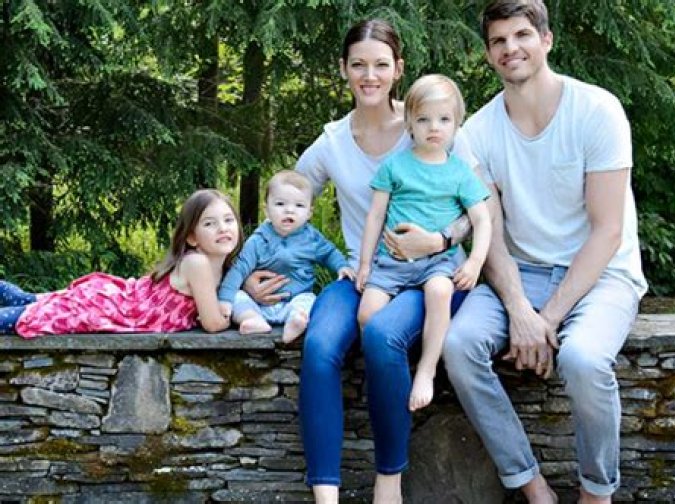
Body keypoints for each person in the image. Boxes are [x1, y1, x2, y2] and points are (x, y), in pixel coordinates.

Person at [241, 19, 477, 504]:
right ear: (344, 69)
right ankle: (325, 496)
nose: (370, 76)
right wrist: (248, 277)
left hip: (434, 278)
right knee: (320, 344)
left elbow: (479, 210)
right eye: (359, 65)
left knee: (383, 334)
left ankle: (389, 481)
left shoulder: (432, 121)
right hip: (364, 274)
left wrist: (439, 239)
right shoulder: (332, 142)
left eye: (381, 65)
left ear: (398, 69)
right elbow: (286, 204)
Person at [442, 1, 648, 503]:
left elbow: (607, 231)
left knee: (583, 360)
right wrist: (518, 309)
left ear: (546, 40)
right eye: (498, 40)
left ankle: (596, 492)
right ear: (488, 53)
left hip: (603, 273)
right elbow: (491, 233)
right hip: (522, 271)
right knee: (459, 346)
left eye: (522, 35)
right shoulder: (476, 134)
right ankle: (531, 485)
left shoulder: (597, 110)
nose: (510, 48)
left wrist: (547, 319)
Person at [355, 74, 491, 412]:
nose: (434, 127)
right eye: (423, 119)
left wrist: (474, 262)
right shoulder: (395, 166)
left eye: (444, 119)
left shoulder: (460, 172)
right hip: (392, 261)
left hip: (438, 263)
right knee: (367, 314)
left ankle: (427, 370)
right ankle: (392, 370)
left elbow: (482, 220)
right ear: (409, 124)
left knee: (440, 292)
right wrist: (365, 263)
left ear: (457, 124)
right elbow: (375, 216)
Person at [0, 189, 241, 337]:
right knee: (30, 317)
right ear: (191, 237)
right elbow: (212, 323)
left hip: (116, 300)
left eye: (228, 220)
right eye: (209, 223)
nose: (222, 228)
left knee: (31, 302)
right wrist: (230, 319)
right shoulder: (197, 263)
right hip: (112, 309)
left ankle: (22, 297)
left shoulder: (224, 266)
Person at [217, 170, 354, 343]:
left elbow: (329, 253)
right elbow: (239, 269)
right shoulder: (259, 240)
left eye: (299, 206)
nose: (289, 210)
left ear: (309, 213)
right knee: (238, 297)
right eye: (280, 204)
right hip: (259, 305)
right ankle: (252, 319)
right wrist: (225, 300)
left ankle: (295, 322)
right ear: (266, 209)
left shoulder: (311, 238)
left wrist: (342, 266)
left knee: (310, 300)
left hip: (295, 301)